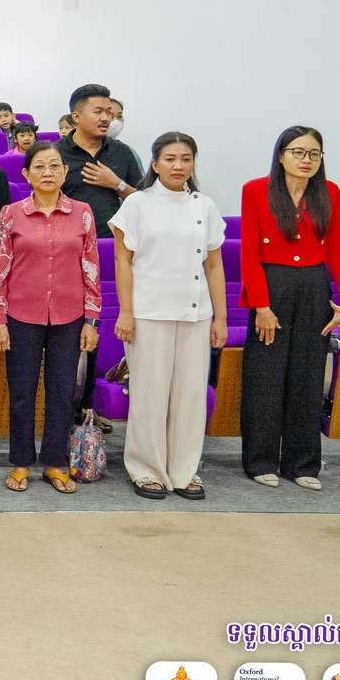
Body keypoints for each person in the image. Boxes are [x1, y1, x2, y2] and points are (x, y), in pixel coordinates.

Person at [240, 126, 340, 490]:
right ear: (281, 155)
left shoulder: (329, 192)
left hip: (313, 286)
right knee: (266, 377)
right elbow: (249, 253)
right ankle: (260, 460)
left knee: (308, 377)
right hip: (272, 286)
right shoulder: (256, 190)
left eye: (314, 154)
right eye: (298, 152)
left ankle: (303, 463)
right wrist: (261, 305)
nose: (306, 160)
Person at [111, 132, 227, 501]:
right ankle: (146, 469)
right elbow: (122, 262)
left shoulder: (204, 205)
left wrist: (220, 317)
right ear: (155, 163)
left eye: (186, 159)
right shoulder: (137, 204)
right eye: (170, 158)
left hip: (195, 313)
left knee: (190, 396)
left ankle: (184, 470)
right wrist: (126, 312)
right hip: (148, 312)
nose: (178, 166)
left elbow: (214, 266)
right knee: (150, 393)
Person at [0, 142, 100, 495]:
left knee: (62, 392)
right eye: (39, 167)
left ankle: (55, 462)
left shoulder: (83, 212)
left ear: (65, 173)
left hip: (70, 316)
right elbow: (0, 268)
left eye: (55, 166)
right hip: (22, 313)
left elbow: (91, 267)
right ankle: (21, 462)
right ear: (26, 174)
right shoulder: (11, 214)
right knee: (21, 392)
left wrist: (91, 320)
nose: (48, 173)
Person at [59, 84, 142, 238]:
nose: (105, 118)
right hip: (67, 241)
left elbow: (143, 201)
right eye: (97, 112)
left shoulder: (122, 152)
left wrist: (117, 184)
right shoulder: (55, 153)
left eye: (108, 112)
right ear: (76, 117)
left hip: (113, 241)